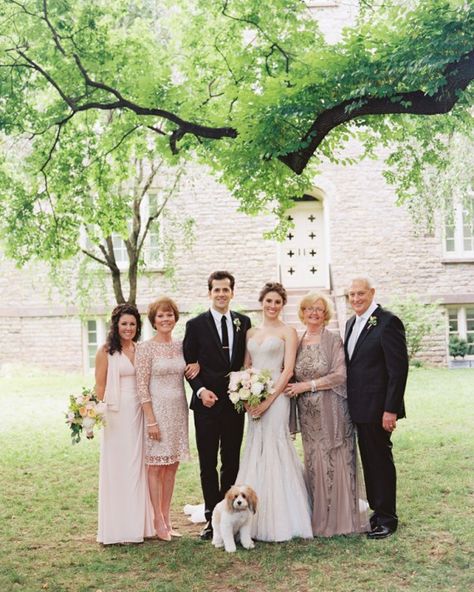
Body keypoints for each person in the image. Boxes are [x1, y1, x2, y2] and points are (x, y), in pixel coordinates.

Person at [285, 292, 369, 537]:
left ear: (325, 314)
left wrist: (308, 386)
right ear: (302, 312)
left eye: (319, 309)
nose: (314, 313)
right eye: (309, 309)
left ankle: (340, 518)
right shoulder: (298, 342)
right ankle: (319, 515)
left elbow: (340, 375)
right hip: (308, 415)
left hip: (332, 411)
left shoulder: (333, 340)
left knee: (335, 458)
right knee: (314, 461)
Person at [236, 282, 313, 542]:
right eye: (268, 301)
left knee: (275, 448)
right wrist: (245, 395)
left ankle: (282, 517)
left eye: (277, 302)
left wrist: (268, 401)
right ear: (262, 302)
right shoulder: (250, 332)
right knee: (255, 448)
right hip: (253, 400)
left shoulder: (288, 331)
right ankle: (249, 518)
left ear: (282, 305)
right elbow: (247, 366)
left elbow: (288, 370)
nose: (272, 306)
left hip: (276, 399)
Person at [183, 271, 251, 540]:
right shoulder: (195, 325)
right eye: (216, 290)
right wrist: (200, 390)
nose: (221, 294)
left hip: (235, 405)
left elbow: (246, 360)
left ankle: (230, 514)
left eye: (226, 290)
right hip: (207, 405)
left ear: (232, 292)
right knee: (208, 462)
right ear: (209, 293)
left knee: (231, 460)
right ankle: (212, 517)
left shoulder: (243, 322)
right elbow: (188, 365)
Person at [345, 277, 408, 539]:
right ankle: (376, 512)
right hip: (359, 407)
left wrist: (390, 409)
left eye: (361, 293)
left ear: (372, 293)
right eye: (351, 295)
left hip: (379, 408)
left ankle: (388, 518)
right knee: (369, 461)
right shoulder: (351, 323)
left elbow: (398, 369)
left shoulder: (388, 322)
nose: (356, 299)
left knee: (380, 461)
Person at [136, 297, 198, 541]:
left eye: (169, 315)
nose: (165, 319)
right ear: (153, 321)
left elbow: (191, 366)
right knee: (156, 466)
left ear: (175, 318)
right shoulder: (145, 348)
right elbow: (142, 386)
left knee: (172, 464)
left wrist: (197, 366)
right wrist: (151, 420)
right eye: (160, 316)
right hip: (157, 412)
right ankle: (156, 520)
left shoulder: (181, 346)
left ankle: (167, 517)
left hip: (178, 410)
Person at [95, 303, 154, 545]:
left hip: (139, 413)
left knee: (137, 467)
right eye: (124, 324)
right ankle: (118, 528)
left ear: (137, 326)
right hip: (116, 415)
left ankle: (137, 525)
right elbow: (99, 386)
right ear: (116, 325)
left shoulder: (141, 350)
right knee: (118, 468)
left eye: (132, 324)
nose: (128, 328)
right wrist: (93, 415)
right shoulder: (106, 351)